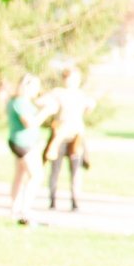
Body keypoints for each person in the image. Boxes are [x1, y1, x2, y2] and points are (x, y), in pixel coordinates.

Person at [40, 67, 94, 211]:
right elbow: (44, 102)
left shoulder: (81, 95)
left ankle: (75, 200)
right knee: (55, 168)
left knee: (76, 169)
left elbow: (89, 109)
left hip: (76, 135)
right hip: (60, 135)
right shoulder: (58, 93)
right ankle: (52, 199)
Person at [4, 74, 44, 224]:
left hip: (21, 142)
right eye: (35, 86)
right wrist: (46, 113)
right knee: (36, 175)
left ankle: (14, 208)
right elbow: (30, 123)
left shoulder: (18, 101)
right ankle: (25, 208)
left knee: (20, 175)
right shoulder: (20, 102)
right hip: (24, 143)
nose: (38, 90)